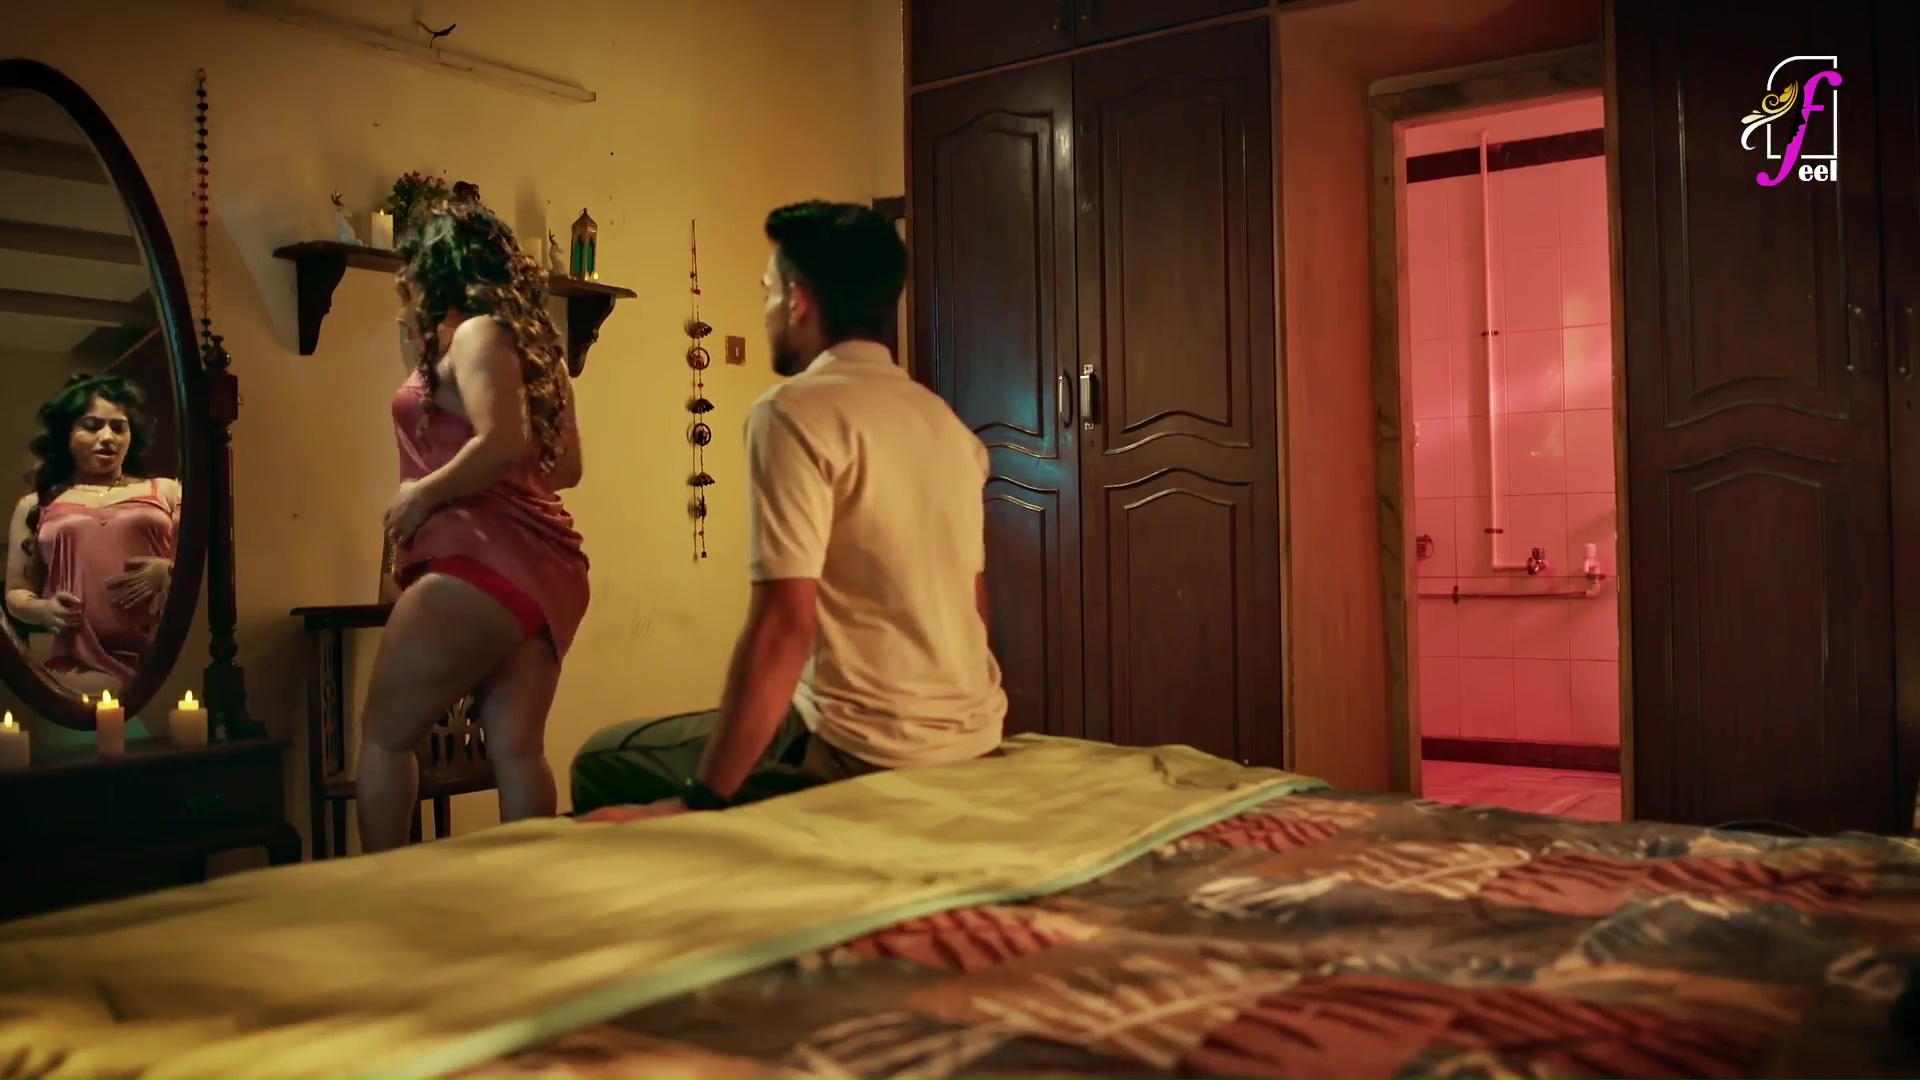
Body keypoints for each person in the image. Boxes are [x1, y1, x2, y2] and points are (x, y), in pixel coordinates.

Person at [569, 200, 1005, 816]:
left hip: (856, 746)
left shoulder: (793, 413)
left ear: (798, 302)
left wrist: (701, 800)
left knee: (600, 761)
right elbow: (974, 606)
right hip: (972, 736)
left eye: (767, 290)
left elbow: (784, 625)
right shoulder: (949, 429)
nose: (766, 308)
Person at [354, 199, 589, 853]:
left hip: (479, 563)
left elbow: (502, 442)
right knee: (517, 748)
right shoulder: (536, 352)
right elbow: (566, 468)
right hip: (547, 568)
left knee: (384, 736)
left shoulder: (476, 335)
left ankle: (377, 891)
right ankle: (528, 891)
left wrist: (423, 494)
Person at [3, 374, 179, 697]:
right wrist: (44, 610)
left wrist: (167, 570)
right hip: (77, 665)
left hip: (161, 660)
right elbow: (16, 592)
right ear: (66, 433)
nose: (108, 437)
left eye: (119, 427)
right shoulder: (37, 504)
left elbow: (199, 562)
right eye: (92, 426)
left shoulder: (165, 491)